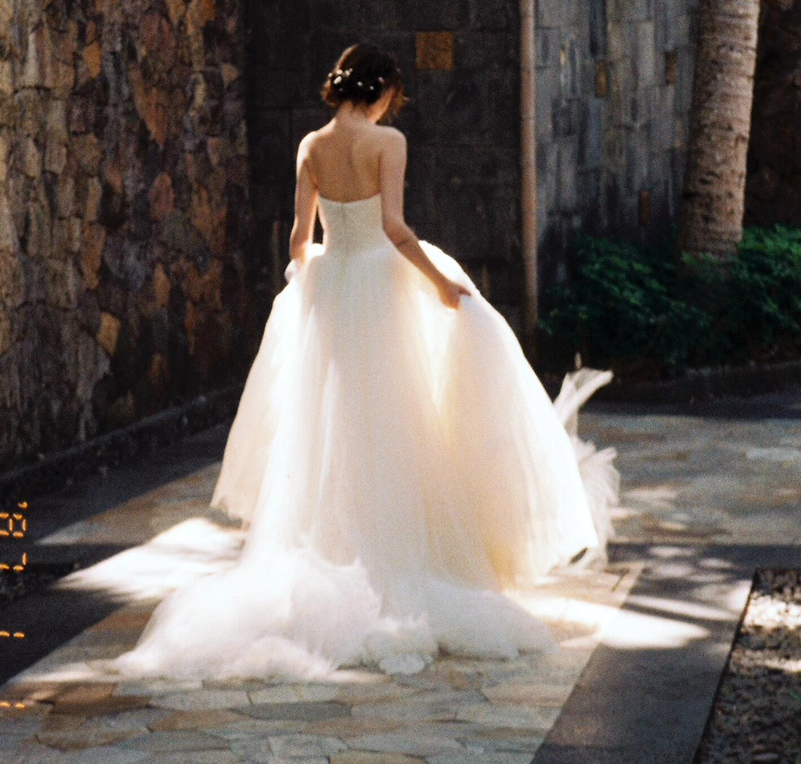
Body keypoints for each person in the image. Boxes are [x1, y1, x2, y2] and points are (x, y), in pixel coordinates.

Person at [114, 43, 619, 681]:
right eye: (390, 98)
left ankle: (334, 556)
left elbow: (298, 242)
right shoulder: (388, 143)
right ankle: (398, 565)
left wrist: (315, 283)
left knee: (331, 436)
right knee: (397, 427)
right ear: (379, 92)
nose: (388, 108)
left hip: (332, 293)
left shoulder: (310, 145)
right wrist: (441, 282)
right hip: (382, 290)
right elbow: (397, 229)